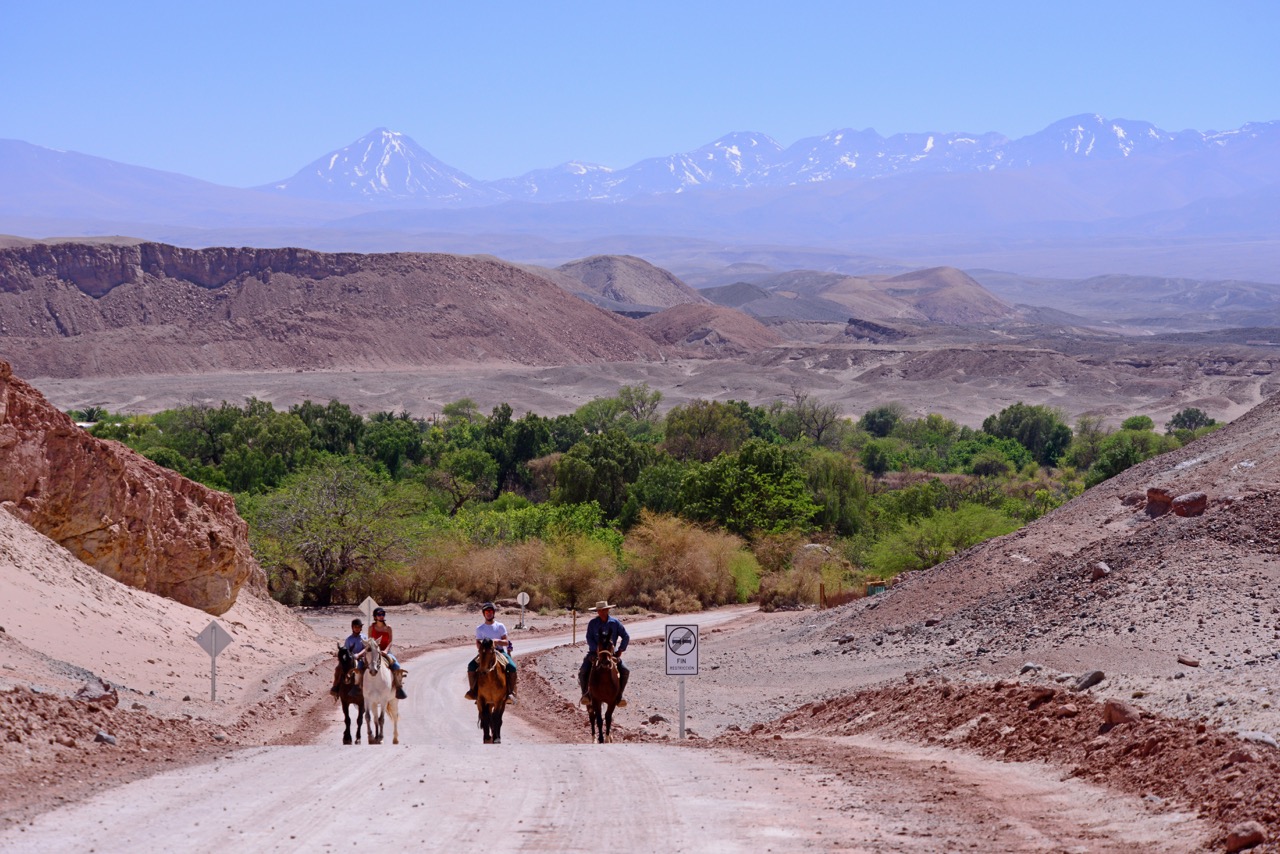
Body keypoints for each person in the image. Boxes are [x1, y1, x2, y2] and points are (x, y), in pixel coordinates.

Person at [578, 600, 629, 708]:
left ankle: (619, 696)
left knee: (625, 670)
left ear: (607, 610)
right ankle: (586, 695)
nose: (601, 612)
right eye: (599, 610)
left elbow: (626, 636)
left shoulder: (615, 623)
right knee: (583, 671)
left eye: (603, 610)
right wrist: (596, 650)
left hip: (611, 655)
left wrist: (620, 650)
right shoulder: (593, 624)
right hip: (594, 654)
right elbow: (589, 638)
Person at [465, 602, 517, 704]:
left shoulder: (500, 626)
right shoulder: (480, 628)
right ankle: (473, 691)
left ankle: (511, 692)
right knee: (471, 666)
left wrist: (496, 642)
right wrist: (484, 648)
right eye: (486, 612)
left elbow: (506, 642)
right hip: (485, 654)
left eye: (490, 611)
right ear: (483, 614)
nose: (489, 613)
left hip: (499, 652)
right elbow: (478, 643)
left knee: (512, 667)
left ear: (493, 613)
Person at [369, 607, 409, 700]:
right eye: (379, 614)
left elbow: (390, 641)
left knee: (396, 666)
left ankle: (399, 687)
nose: (381, 616)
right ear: (375, 616)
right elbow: (370, 641)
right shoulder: (371, 627)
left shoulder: (388, 628)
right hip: (375, 651)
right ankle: (358, 686)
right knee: (362, 664)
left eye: (383, 614)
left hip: (385, 651)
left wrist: (386, 651)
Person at [330, 618, 367, 695]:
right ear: (352, 628)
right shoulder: (348, 639)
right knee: (338, 669)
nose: (357, 629)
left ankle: (360, 686)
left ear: (361, 628)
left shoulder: (364, 637)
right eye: (355, 627)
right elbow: (346, 650)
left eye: (358, 627)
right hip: (351, 659)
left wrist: (359, 654)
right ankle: (335, 686)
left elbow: (366, 648)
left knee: (365, 668)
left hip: (361, 658)